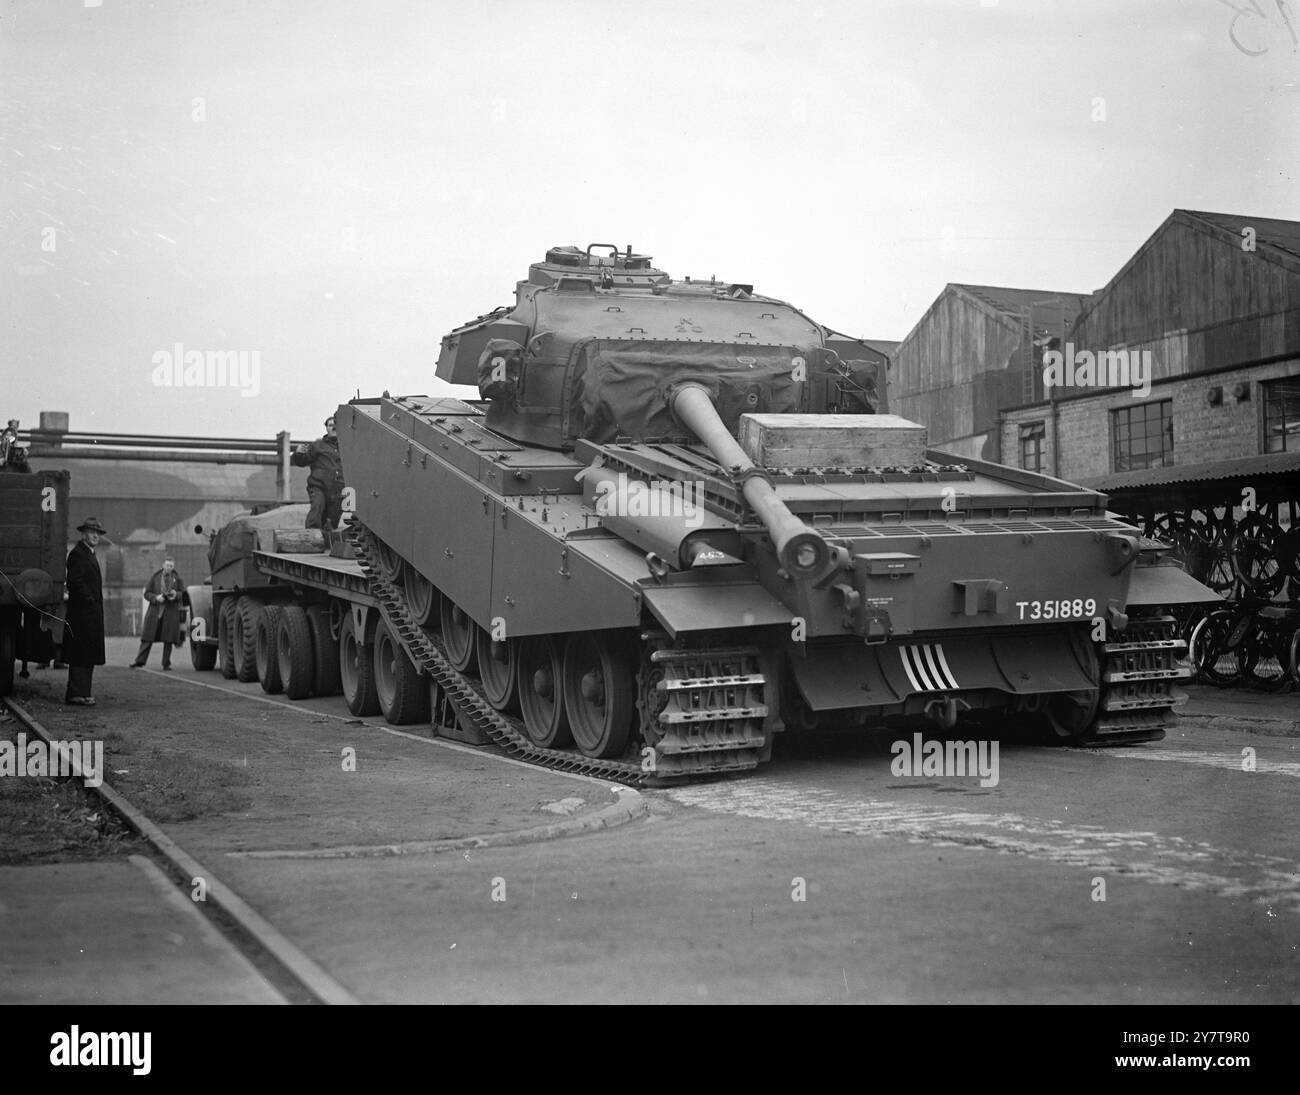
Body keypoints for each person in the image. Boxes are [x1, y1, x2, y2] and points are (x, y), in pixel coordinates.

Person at [64, 517, 107, 706]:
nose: (96, 536)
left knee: (88, 653)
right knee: (79, 653)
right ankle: (74, 694)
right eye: (92, 532)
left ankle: (84, 693)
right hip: (81, 614)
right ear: (83, 534)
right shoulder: (78, 554)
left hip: (90, 614)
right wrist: (90, 601)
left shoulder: (88, 553)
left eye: (98, 533)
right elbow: (76, 582)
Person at [130, 556, 185, 670]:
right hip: (155, 612)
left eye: (171, 566)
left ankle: (166, 664)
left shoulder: (177, 579)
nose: (169, 568)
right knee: (147, 638)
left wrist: (176, 595)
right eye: (167, 565)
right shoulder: (155, 577)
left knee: (168, 639)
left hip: (170, 613)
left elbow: (182, 594)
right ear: (163, 566)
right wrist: (156, 598)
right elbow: (146, 593)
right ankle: (139, 661)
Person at [290, 415, 345, 531]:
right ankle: (311, 536)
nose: (333, 427)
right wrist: (298, 454)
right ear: (326, 428)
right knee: (317, 507)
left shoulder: (347, 447)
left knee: (332, 520)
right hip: (318, 487)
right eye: (330, 425)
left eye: (336, 425)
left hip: (338, 489)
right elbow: (302, 462)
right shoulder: (317, 446)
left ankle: (327, 541)